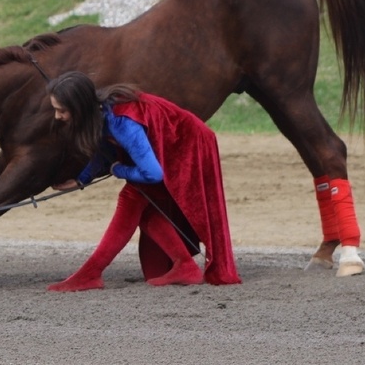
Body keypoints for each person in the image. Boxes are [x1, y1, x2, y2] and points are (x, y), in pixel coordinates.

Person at [45, 71, 240, 292]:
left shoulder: (122, 123)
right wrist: (82, 180)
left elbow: (153, 174)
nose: (57, 116)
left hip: (190, 146)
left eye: (61, 110)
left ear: (80, 108)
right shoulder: (98, 112)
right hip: (170, 147)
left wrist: (120, 169)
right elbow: (103, 148)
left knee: (131, 196)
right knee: (144, 207)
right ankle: (184, 266)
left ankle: (90, 274)